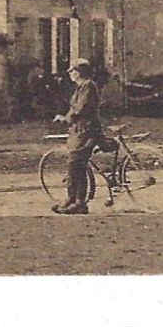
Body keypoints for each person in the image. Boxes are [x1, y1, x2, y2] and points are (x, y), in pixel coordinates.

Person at [52, 58, 102, 215]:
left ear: (79, 72)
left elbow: (81, 108)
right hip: (80, 130)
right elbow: (74, 107)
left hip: (87, 131)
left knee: (76, 164)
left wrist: (65, 119)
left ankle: (79, 202)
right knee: (75, 164)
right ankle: (71, 199)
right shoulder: (81, 87)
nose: (70, 74)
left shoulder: (88, 86)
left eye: (72, 70)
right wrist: (65, 116)